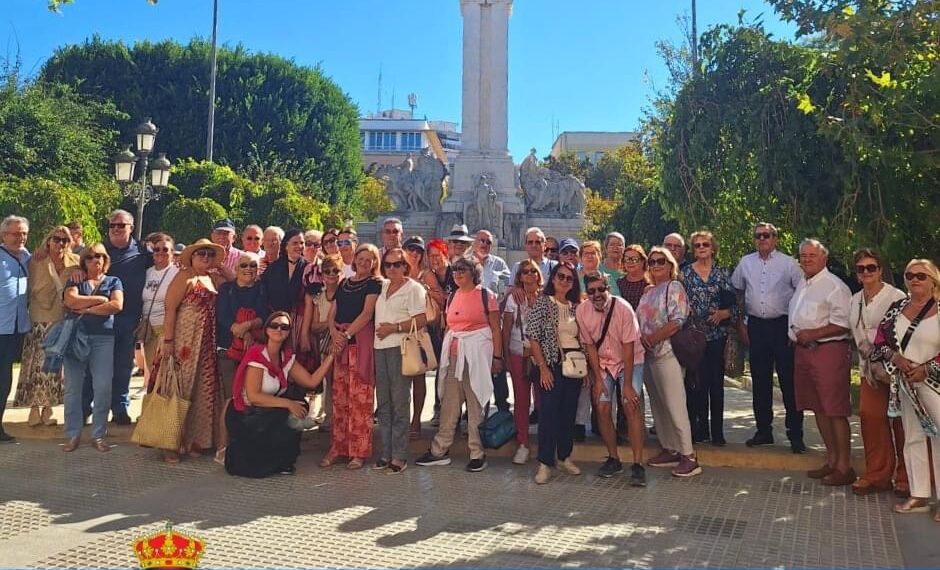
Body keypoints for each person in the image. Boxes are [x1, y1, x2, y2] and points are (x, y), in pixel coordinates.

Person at [416, 256, 503, 472]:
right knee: (449, 404)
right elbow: (448, 326)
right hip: (455, 356)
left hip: (477, 356)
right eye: (455, 269)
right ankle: (439, 450)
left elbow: (495, 329)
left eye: (463, 269)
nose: (458, 272)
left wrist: (498, 358)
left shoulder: (486, 295)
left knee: (475, 405)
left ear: (474, 272)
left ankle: (477, 452)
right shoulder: (453, 295)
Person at [225, 311, 334, 478]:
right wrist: (288, 404)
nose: (279, 330)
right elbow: (254, 396)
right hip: (247, 415)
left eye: (284, 327)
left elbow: (311, 381)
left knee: (298, 407)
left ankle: (284, 461)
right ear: (267, 330)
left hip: (268, 411)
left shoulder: (287, 357)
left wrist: (332, 355)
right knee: (290, 408)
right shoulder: (257, 354)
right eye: (274, 326)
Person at [872, 259, 940, 517]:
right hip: (906, 383)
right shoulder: (897, 307)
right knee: (912, 436)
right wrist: (895, 358)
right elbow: (880, 341)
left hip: (934, 383)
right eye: (909, 275)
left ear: (933, 280)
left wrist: (927, 369)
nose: (914, 280)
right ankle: (919, 493)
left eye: (921, 276)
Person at [731, 222, 805, 453]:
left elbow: (802, 293)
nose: (762, 239)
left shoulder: (789, 263)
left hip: (782, 326)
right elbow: (738, 291)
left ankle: (796, 434)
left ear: (775, 238)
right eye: (758, 236)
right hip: (756, 326)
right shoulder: (746, 262)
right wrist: (742, 322)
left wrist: (795, 327)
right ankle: (764, 431)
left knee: (788, 382)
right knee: (760, 381)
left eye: (766, 235)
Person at [789, 239, 854, 485]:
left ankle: (845, 467)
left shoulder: (834, 287)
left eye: (812, 255)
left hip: (828, 351)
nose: (806, 259)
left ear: (824, 258)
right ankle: (832, 461)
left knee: (835, 409)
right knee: (818, 408)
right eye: (803, 255)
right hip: (804, 351)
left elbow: (843, 323)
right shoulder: (803, 284)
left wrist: (813, 334)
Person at [159, 239, 226, 463]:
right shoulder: (183, 277)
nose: (205, 258)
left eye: (209, 254)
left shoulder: (211, 278)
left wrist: (224, 269)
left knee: (203, 389)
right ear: (192, 257)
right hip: (184, 339)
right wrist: (168, 340)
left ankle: (197, 440)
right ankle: (170, 443)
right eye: (201, 254)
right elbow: (170, 308)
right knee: (179, 387)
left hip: (206, 342)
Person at [578, 272, 647, 486]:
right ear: (586, 293)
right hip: (604, 363)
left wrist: (626, 386)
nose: (597, 294)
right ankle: (613, 458)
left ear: (608, 288)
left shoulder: (623, 309)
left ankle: (637, 464)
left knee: (630, 404)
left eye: (601, 289)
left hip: (629, 360)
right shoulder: (582, 311)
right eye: (591, 291)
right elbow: (589, 346)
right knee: (602, 406)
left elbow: (628, 347)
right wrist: (598, 378)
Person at [848, 248, 907, 497]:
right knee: (871, 418)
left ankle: (906, 477)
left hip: (894, 368)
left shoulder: (896, 296)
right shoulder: (854, 299)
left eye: (871, 267)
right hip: (869, 369)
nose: (866, 272)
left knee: (901, 422)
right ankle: (877, 474)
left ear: (881, 269)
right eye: (861, 268)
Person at [637, 247, 700, 477]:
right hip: (648, 356)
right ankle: (670, 447)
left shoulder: (674, 287)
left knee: (674, 405)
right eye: (652, 262)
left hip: (667, 353)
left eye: (660, 261)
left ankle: (689, 455)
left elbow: (677, 320)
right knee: (659, 406)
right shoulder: (648, 291)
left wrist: (653, 338)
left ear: (671, 264)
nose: (655, 265)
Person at [322, 243, 382, 469]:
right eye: (361, 258)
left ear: (375, 263)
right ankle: (338, 447)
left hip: (359, 342)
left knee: (360, 399)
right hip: (341, 343)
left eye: (370, 259)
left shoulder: (374, 284)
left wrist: (345, 334)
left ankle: (358, 450)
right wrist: (334, 333)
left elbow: (367, 314)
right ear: (354, 259)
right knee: (340, 398)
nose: (364, 262)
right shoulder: (345, 283)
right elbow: (333, 312)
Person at [61, 243, 124, 452]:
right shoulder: (75, 279)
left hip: (103, 339)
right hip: (76, 338)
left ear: (105, 260)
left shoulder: (114, 281)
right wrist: (99, 301)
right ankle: (72, 434)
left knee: (103, 387)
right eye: (89, 257)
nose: (94, 260)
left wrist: (85, 309)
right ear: (83, 261)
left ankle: (98, 434)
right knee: (73, 389)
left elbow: (116, 306)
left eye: (99, 256)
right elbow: (70, 301)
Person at [15, 226, 79, 427]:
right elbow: (31, 288)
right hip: (39, 318)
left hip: (62, 319)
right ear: (48, 240)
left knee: (54, 367)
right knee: (36, 365)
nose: (60, 244)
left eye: (65, 240)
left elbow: (95, 260)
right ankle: (34, 408)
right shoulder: (36, 260)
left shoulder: (75, 263)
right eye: (57, 239)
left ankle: (49, 407)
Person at [527, 262, 583, 484]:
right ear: (553, 278)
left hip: (574, 363)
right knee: (548, 413)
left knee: (568, 413)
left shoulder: (576, 306)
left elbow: (584, 338)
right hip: (552, 363)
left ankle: (564, 456)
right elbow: (533, 336)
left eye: (569, 278)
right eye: (560, 276)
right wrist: (542, 368)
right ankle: (544, 462)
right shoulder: (543, 303)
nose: (564, 281)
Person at [373, 247, 427, 473]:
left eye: (397, 264)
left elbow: (421, 319)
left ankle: (399, 455)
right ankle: (386, 452)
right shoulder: (383, 286)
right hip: (379, 348)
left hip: (400, 347)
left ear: (406, 265)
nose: (392, 268)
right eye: (388, 265)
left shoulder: (414, 288)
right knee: (384, 404)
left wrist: (393, 328)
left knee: (400, 402)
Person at [681, 231, 737, 446]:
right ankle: (701, 428)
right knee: (697, 385)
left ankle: (717, 432)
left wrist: (723, 314)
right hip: (695, 337)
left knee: (716, 385)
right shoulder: (685, 274)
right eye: (697, 245)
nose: (701, 248)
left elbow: (734, 306)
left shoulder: (722, 274)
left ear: (713, 248)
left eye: (705, 244)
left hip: (717, 336)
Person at [99, 209, 152, 425]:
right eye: (112, 225)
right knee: (96, 367)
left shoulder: (142, 252)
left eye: (121, 225)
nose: (116, 229)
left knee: (122, 366)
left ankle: (120, 409)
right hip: (100, 318)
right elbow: (79, 266)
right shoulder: (99, 250)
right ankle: (86, 408)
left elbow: (163, 262)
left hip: (128, 319)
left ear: (131, 227)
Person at [216, 250, 269, 462]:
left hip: (254, 352)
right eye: (244, 265)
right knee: (230, 398)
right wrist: (238, 329)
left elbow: (263, 315)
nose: (249, 269)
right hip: (229, 351)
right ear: (236, 269)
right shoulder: (226, 289)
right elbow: (223, 316)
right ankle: (223, 445)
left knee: (252, 398)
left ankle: (248, 445)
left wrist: (247, 326)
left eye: (253, 266)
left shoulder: (262, 289)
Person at [502, 259, 543, 464]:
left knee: (543, 400)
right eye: (525, 272)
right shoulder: (513, 299)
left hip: (541, 356)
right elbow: (506, 329)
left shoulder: (545, 298)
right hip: (518, 352)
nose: (529, 275)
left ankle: (546, 442)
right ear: (519, 276)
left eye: (533, 271)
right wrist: (505, 356)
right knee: (521, 400)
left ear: (538, 275)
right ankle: (523, 443)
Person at [402, 236, 443, 435]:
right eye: (410, 249)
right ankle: (402, 419)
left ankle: (416, 420)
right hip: (399, 330)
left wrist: (425, 290)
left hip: (420, 330)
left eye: (418, 250)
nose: (414, 253)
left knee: (418, 377)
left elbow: (440, 299)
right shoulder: (396, 270)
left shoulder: (426, 274)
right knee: (400, 381)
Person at [300, 253, 344, 430]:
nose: (331, 274)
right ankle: (330, 417)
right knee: (330, 382)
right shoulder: (319, 297)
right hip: (326, 347)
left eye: (335, 270)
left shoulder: (346, 293)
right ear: (322, 274)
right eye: (327, 271)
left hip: (343, 343)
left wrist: (329, 325)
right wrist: (331, 323)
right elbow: (314, 326)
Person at [0, 216, 32, 441]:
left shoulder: (28, 257)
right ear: (3, 235)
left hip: (16, 329)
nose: (20, 237)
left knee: (5, 378)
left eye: (23, 233)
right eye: (15, 233)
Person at [261, 229, 308, 364]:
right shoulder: (273, 268)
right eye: (295, 243)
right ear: (286, 245)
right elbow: (264, 296)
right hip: (275, 322)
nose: (299, 246)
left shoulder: (309, 269)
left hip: (299, 323)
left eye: (302, 243)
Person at [139, 233, 179, 384]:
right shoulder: (148, 273)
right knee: (153, 374)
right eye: (157, 249)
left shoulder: (177, 272)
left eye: (165, 249)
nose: (160, 252)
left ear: (172, 252)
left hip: (166, 328)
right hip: (149, 330)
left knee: (165, 375)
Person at [427, 238, 453, 426]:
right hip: (436, 326)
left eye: (438, 255)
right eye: (431, 256)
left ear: (446, 255)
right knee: (440, 368)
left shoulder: (455, 272)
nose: (435, 259)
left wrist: (437, 295)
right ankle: (439, 407)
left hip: (454, 327)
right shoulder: (429, 275)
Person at [473, 229, 511, 297]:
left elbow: (510, 284)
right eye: (482, 241)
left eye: (488, 242)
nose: (485, 244)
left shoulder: (499, 263)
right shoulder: (466, 262)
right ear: (474, 242)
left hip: (492, 305)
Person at [617, 245, 651, 310]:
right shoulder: (619, 283)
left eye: (634, 259)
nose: (630, 262)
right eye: (627, 259)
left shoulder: (650, 283)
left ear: (643, 261)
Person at [599, 232, 625, 297]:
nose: (616, 247)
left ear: (624, 249)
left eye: (619, 245)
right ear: (606, 248)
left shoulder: (628, 271)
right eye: (612, 245)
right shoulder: (597, 270)